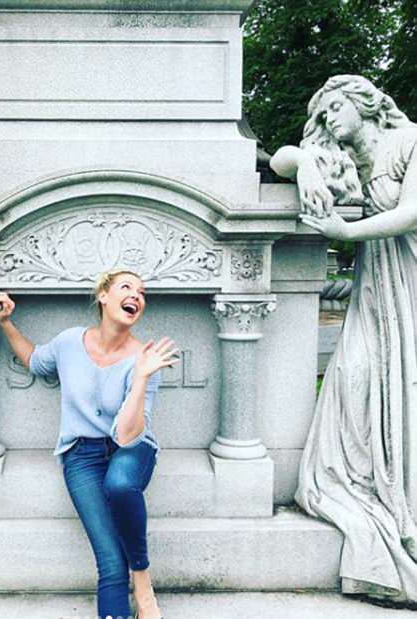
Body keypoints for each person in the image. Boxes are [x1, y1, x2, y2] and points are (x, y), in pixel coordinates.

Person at [271, 74, 417, 605]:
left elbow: (414, 211)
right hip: (375, 291)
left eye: (334, 107)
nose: (328, 118)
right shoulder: (342, 157)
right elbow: (281, 158)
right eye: (322, 114)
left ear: (364, 103)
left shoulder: (410, 140)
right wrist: (308, 164)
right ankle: (366, 484)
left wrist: (346, 233)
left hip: (411, 283)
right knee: (355, 375)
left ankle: (405, 503)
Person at [0, 270, 178, 619]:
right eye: (127, 287)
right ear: (103, 296)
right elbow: (35, 361)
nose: (136, 296)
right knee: (110, 561)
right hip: (81, 455)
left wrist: (141, 377)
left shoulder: (144, 358)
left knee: (120, 484)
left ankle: (142, 581)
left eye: (142, 292)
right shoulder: (69, 342)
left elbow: (128, 435)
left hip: (132, 449)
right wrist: (5, 322)